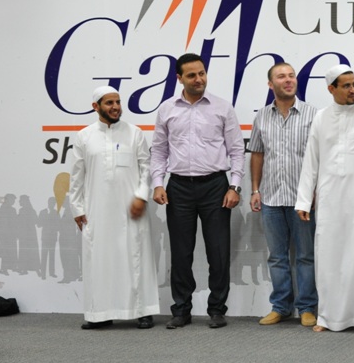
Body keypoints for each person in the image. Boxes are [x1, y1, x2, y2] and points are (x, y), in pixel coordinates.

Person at [151, 53, 245, 329]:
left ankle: (217, 309)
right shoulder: (167, 109)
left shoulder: (222, 107)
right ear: (179, 78)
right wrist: (158, 183)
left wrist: (234, 186)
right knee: (181, 253)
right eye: (191, 75)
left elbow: (236, 150)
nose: (198, 79)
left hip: (216, 186)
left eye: (202, 73)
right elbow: (159, 150)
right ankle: (181, 310)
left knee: (218, 251)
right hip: (179, 187)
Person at [295, 64, 354, 337]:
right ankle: (328, 317)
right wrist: (304, 200)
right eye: (346, 86)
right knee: (328, 258)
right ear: (331, 89)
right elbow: (311, 161)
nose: (353, 90)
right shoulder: (321, 118)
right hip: (329, 201)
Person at [68, 86, 159, 329]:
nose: (116, 107)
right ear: (95, 106)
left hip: (132, 209)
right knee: (99, 261)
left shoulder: (134, 133)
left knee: (136, 256)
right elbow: (76, 176)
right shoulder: (84, 136)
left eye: (118, 102)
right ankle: (100, 314)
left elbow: (147, 168)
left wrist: (142, 196)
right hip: (97, 210)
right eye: (109, 103)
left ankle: (143, 311)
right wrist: (77, 208)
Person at [249, 63, 319, 327]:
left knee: (305, 256)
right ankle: (280, 306)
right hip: (271, 198)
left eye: (291, 76)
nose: (288, 80)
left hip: (303, 199)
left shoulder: (313, 114)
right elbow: (257, 153)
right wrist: (255, 190)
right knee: (277, 257)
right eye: (281, 77)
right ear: (271, 84)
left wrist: (315, 191)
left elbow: (320, 156)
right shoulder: (261, 116)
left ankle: (307, 307)